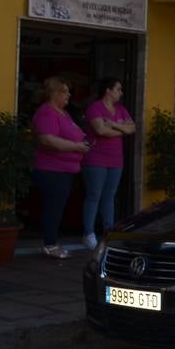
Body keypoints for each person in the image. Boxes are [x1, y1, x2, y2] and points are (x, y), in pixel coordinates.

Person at [31, 76, 91, 259]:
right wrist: (76, 147)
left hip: (66, 170)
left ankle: (52, 242)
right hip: (52, 169)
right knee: (53, 208)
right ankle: (49, 245)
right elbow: (47, 139)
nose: (69, 95)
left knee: (57, 207)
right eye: (65, 91)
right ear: (54, 93)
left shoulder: (62, 113)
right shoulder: (47, 113)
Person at [81, 77, 135, 249]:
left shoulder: (120, 109)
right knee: (94, 195)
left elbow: (132, 128)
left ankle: (107, 231)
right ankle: (88, 233)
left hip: (115, 159)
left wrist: (112, 124)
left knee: (109, 196)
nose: (121, 92)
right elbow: (100, 130)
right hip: (96, 158)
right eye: (118, 89)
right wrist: (121, 129)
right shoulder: (95, 107)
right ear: (108, 90)